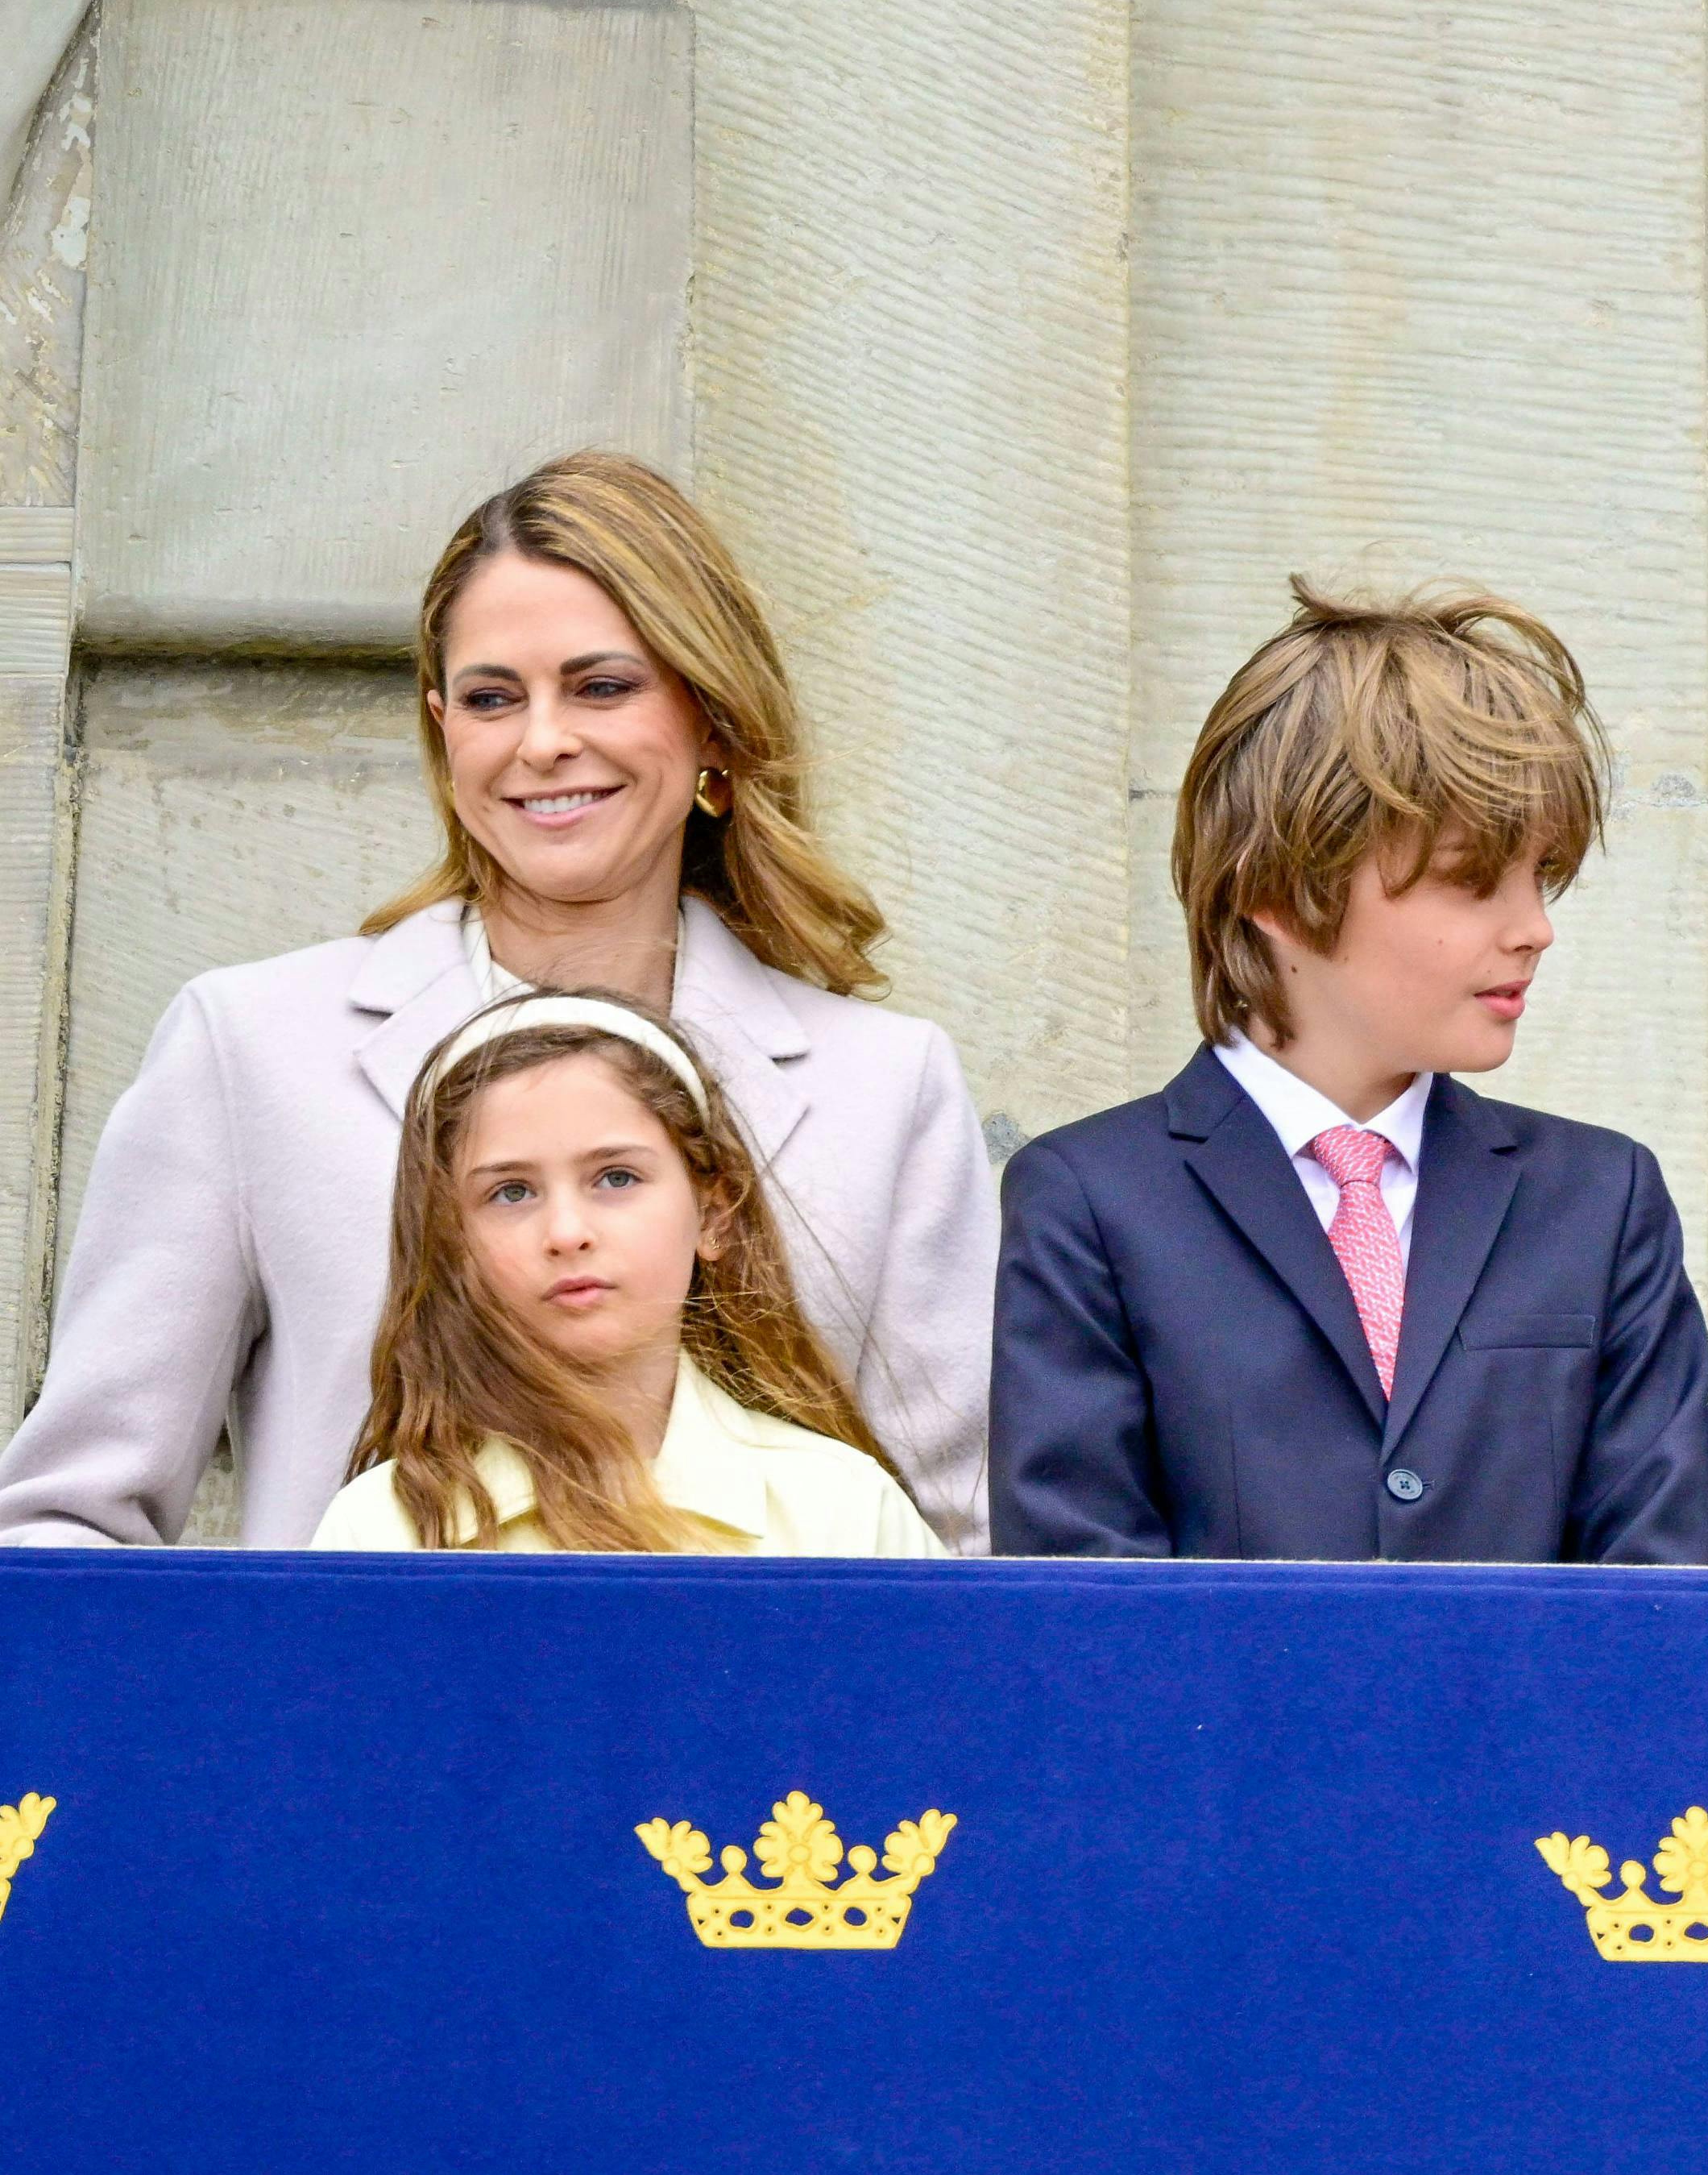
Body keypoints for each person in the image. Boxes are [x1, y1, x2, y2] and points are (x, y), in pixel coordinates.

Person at [0, 452, 1000, 1550]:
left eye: (601, 685)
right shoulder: (250, 1049)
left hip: (769, 1717)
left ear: (714, 719)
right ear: (442, 730)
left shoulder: (885, 1083)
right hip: (364, 1710)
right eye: (490, 698)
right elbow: (73, 1518)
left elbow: (951, 1547)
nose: (541, 741)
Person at [993, 579, 1708, 1561]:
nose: (1535, 930)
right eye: (1471, 880)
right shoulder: (1090, 1198)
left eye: (1539, 880)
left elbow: (1655, 1584)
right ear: (1278, 888)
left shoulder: (1600, 1198)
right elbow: (1087, 1600)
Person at [314, 994, 940, 1555]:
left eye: (617, 1178)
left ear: (714, 1215)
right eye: (510, 1193)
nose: (565, 1232)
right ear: (452, 1244)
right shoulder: (382, 1531)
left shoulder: (846, 1512)